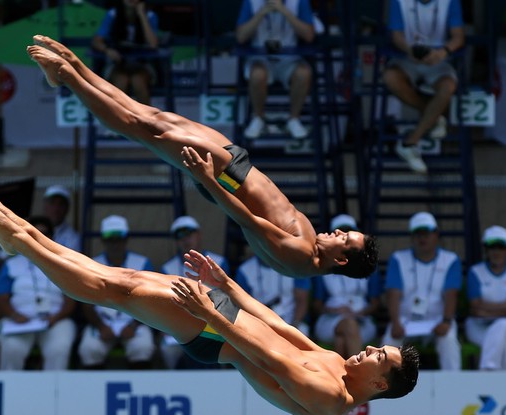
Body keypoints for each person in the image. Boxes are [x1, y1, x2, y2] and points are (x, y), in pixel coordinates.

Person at [0, 198, 418, 415]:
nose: (370, 349)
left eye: (379, 357)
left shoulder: (332, 400)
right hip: (224, 315)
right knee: (120, 280)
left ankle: (24, 244)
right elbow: (281, 327)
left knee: (114, 290)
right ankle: (26, 239)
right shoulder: (338, 365)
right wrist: (227, 287)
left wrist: (213, 314)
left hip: (217, 335)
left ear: (380, 383)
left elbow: (269, 358)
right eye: (379, 347)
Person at [26, 35, 379, 279]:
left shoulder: (302, 258)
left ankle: (69, 78)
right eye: (345, 231)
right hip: (238, 166)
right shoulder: (312, 250)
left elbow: (247, 221)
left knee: (141, 128)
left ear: (342, 258)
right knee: (153, 117)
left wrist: (209, 180)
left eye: (344, 238)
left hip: (226, 178)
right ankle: (76, 67)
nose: (338, 231)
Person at [384, 0, 464, 173]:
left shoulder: (450, 2)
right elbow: (396, 35)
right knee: (390, 77)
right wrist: (410, 50)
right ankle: (434, 115)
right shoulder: (399, 2)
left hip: (439, 60)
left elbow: (458, 36)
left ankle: (410, 142)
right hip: (407, 59)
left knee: (448, 87)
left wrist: (442, 52)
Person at [0, 215, 77, 370]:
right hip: (19, 321)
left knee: (58, 349)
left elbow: (71, 300)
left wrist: (57, 317)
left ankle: (54, 393)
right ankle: (11, 391)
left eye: (43, 234)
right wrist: (13, 315)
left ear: (51, 238)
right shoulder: (11, 264)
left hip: (54, 320)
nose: (37, 238)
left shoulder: (64, 266)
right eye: (32, 234)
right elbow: (1, 297)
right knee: (12, 349)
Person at [381, 212, 462, 370]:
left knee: (449, 340)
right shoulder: (398, 258)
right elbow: (393, 294)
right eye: (418, 234)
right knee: (388, 343)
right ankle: (382, 388)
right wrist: (396, 322)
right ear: (412, 237)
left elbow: (451, 294)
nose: (422, 238)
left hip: (438, 318)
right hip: (405, 319)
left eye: (426, 233)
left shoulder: (450, 259)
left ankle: (454, 388)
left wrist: (446, 321)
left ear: (436, 234)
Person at [77, 215, 157, 369]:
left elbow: (152, 300)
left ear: (126, 238)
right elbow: (85, 303)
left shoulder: (142, 262)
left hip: (136, 321)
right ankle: (96, 392)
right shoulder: (91, 264)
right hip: (102, 322)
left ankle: (139, 391)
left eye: (119, 237)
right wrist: (100, 326)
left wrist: (133, 326)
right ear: (102, 240)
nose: (114, 243)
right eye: (109, 238)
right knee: (89, 349)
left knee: (142, 347)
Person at [235, 0, 316, 139]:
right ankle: (259, 118)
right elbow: (241, 37)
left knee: (304, 73)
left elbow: (309, 36)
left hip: (289, 60)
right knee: (257, 75)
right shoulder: (252, 2)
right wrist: (262, 12)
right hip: (261, 59)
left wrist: (284, 11)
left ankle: (293, 119)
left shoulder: (299, 2)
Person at [160, 215, 230, 369]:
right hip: (180, 323)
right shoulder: (167, 268)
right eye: (180, 236)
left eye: (189, 233)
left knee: (224, 346)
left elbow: (228, 299)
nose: (185, 239)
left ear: (198, 235)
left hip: (214, 321)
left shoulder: (218, 262)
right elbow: (163, 303)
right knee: (168, 348)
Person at [313, 214, 381, 358]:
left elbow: (375, 303)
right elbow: (317, 304)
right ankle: (360, 375)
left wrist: (358, 313)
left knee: (341, 340)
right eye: (340, 233)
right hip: (330, 319)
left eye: (347, 235)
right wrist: (334, 310)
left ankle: (339, 378)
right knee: (349, 326)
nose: (340, 234)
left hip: (362, 319)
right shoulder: (318, 266)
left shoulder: (367, 266)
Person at [466, 226, 506, 371]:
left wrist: (486, 309)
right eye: (492, 246)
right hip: (478, 326)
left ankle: (487, 370)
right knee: (503, 346)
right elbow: (475, 307)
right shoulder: (475, 272)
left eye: (501, 247)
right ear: (486, 249)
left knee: (503, 324)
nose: (496, 251)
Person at [92, 0, 160, 104]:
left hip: (142, 64)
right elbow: (96, 41)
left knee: (138, 81)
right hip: (118, 64)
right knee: (121, 80)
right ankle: (118, 119)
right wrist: (107, 50)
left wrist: (141, 15)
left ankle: (146, 119)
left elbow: (153, 44)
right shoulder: (113, 14)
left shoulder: (150, 16)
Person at [236, 253, 311, 336]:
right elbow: (242, 304)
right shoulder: (244, 270)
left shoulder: (294, 267)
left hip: (291, 321)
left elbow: (302, 300)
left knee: (302, 331)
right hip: (259, 322)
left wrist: (294, 324)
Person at [42, 185, 81, 251]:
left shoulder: (73, 237)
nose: (56, 209)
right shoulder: (33, 229)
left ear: (67, 208)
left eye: (61, 204)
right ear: (45, 206)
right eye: (52, 203)